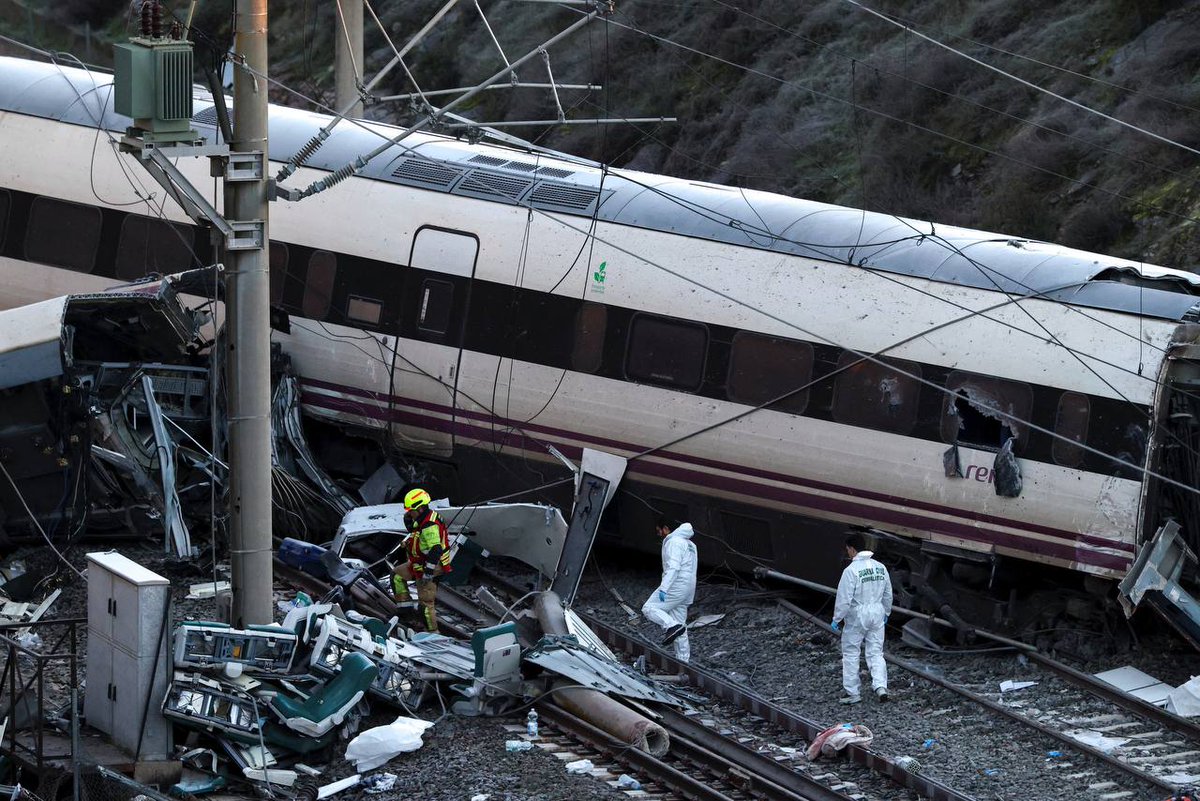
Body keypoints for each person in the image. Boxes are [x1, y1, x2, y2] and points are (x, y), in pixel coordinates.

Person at [831, 531, 892, 704]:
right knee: (875, 652)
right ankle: (880, 686)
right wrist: (886, 612)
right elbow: (888, 594)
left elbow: (844, 599)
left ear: (851, 549)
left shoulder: (851, 571)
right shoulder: (880, 567)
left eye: (847, 549)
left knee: (851, 652)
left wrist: (837, 619)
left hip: (858, 615)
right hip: (877, 612)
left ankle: (853, 693)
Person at [391, 488, 452, 632]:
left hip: (431, 565)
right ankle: (406, 612)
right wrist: (408, 524)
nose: (409, 513)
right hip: (419, 563)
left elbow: (436, 549)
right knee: (397, 576)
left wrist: (428, 572)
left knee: (425, 604)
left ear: (420, 508)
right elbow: (416, 530)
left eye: (411, 510)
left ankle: (433, 633)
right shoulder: (425, 517)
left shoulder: (429, 525)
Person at [641, 516, 698, 662]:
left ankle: (670, 626)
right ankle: (683, 662)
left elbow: (673, 567)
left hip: (676, 585)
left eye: (659, 530)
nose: (659, 534)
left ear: (666, 528)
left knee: (649, 608)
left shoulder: (674, 542)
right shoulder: (690, 544)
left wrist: (664, 588)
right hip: (688, 587)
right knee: (680, 624)